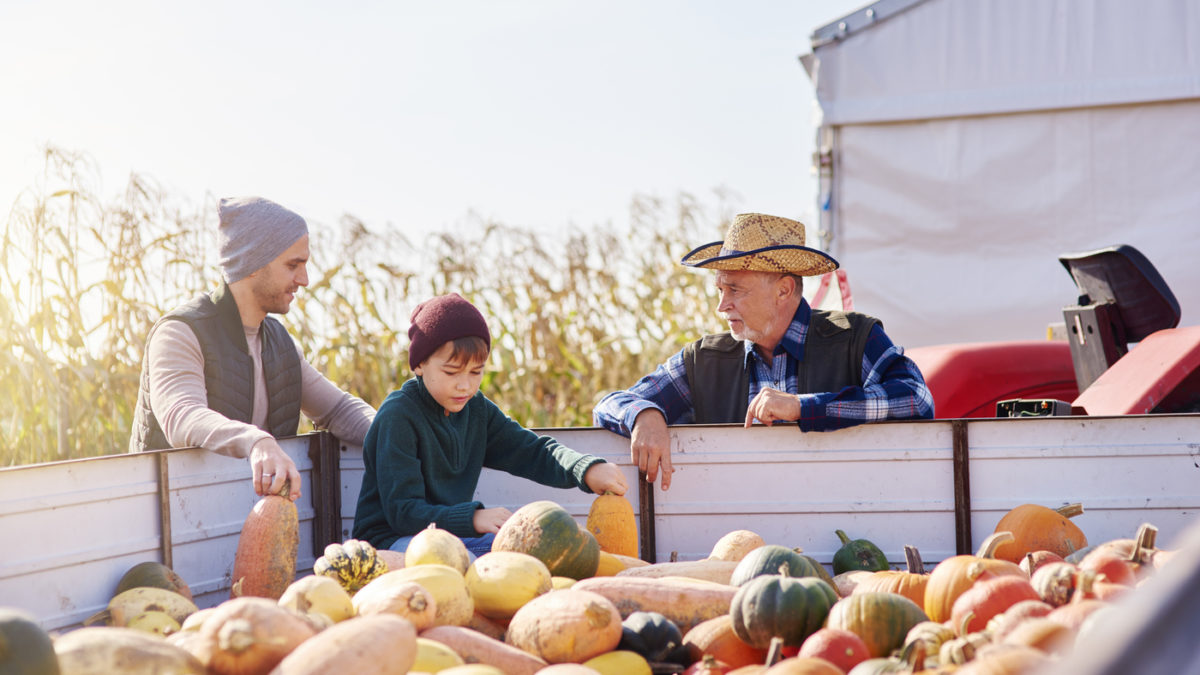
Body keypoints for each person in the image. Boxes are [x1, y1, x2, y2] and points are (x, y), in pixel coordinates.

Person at [593, 212, 935, 491]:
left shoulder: (855, 336)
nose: (721, 306)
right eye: (719, 289)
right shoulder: (702, 360)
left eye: (734, 290)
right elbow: (609, 405)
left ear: (784, 290)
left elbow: (916, 399)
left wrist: (804, 407)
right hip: (738, 541)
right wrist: (644, 415)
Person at [129, 196, 376, 501]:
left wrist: (398, 435)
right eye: (293, 265)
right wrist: (257, 442)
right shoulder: (180, 333)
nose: (305, 279)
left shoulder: (280, 345)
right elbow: (182, 416)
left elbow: (339, 410)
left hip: (249, 522)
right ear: (253, 264)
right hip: (170, 525)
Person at [352, 293, 627, 556]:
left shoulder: (476, 410)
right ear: (420, 364)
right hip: (390, 543)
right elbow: (404, 512)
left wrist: (585, 468)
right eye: (451, 372)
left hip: (450, 538)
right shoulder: (398, 416)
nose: (465, 385)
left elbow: (532, 451)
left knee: (533, 552)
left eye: (476, 372)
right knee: (467, 565)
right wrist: (473, 518)